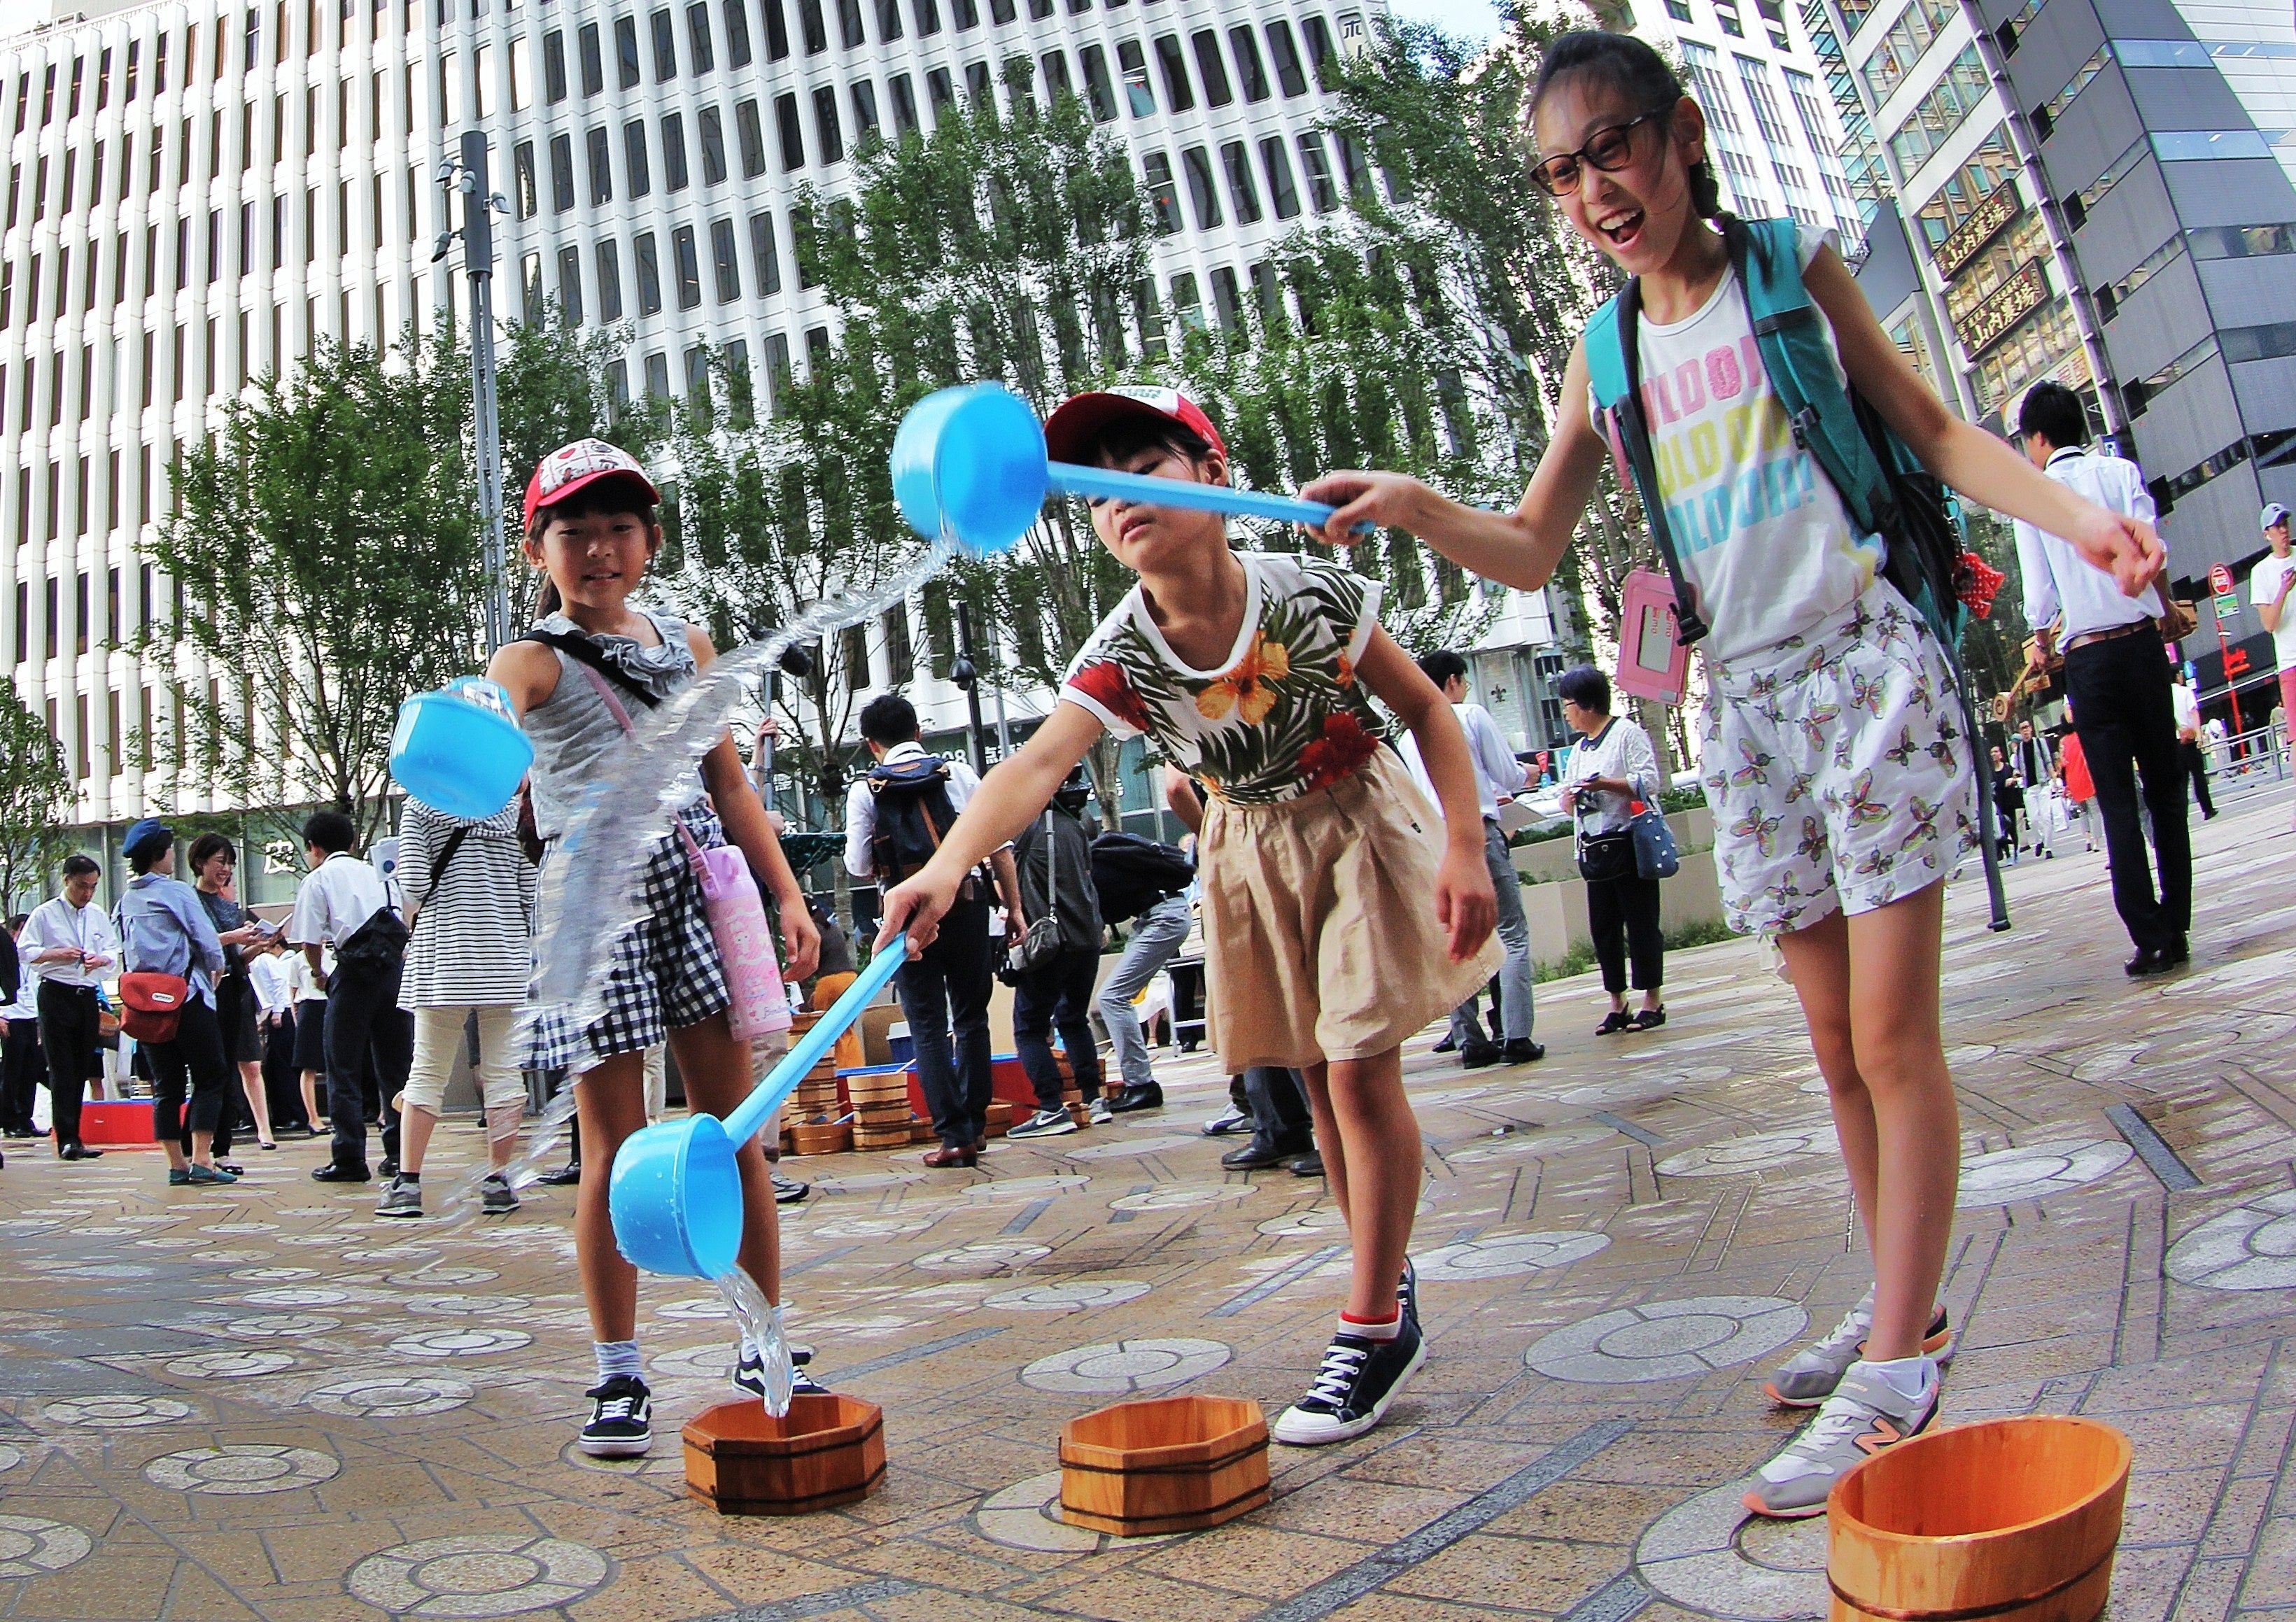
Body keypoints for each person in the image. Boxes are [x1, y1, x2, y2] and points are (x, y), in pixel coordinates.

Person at [1295, 29, 2160, 1514]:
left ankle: (1893, 1369)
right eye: (1561, 173)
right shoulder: (1601, 348)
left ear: (1678, 131)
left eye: (1611, 149)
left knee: (1891, 1039)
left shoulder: (1785, 266)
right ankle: (1910, 1308)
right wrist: (1420, 505)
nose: (1592, 192)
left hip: (1862, 672)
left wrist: (2076, 528)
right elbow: (1531, 543)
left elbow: (1937, 431)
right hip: (1742, 708)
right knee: (1829, 1050)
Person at [877, 384, 1501, 1448]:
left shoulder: (1309, 588)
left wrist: (1462, 840)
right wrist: (942, 867)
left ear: (1214, 475)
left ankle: (1367, 1323)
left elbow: (1428, 709)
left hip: (1357, 824)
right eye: (1094, 486)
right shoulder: (1119, 652)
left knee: (1357, 1064)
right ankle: (1383, 1280)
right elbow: (1034, 765)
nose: (1116, 494)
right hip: (1250, 848)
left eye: (1143, 464)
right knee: (1315, 1073)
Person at [484, 436, 822, 1458]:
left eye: (618, 527)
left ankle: (763, 1336)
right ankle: (617, 1371)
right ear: (535, 547)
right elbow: (483, 745)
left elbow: (728, 781)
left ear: (651, 540)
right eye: (572, 530)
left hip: (699, 890)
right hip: (593, 910)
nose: (598, 549)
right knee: (612, 1146)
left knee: (732, 1133)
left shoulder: (687, 641)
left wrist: (787, 894)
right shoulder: (526, 659)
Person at [2013, 381, 2190, 976]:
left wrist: (2040, 645)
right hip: (2140, 647)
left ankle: (2146, 935)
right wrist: (2163, 610)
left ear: (2037, 438)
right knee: (2165, 788)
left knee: (2115, 798)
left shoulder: (2033, 497)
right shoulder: (2118, 474)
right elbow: (2148, 551)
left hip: (2087, 659)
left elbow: (2039, 596)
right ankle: (2177, 923)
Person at [843, 693, 1024, 1169]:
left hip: (905, 916)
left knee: (926, 1025)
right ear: (918, 733)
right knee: (971, 1017)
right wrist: (1015, 909)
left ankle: (952, 1136)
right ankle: (976, 1124)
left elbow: (859, 864)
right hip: (967, 903)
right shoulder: (957, 773)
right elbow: (998, 846)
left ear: (871, 745)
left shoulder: (866, 789)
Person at [378, 796, 537, 1219]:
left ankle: (408, 1183)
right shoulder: (512, 808)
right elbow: (530, 891)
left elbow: (411, 884)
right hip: (505, 955)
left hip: (444, 953)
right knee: (504, 1070)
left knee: (427, 1069)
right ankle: (499, 1180)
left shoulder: (422, 805)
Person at [1398, 649, 1543, 1067]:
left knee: (1456, 936)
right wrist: (1528, 774)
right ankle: (1516, 1034)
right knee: (1512, 933)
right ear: (1453, 682)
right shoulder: (1471, 716)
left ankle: (1469, 1038)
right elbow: (1508, 774)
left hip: (1435, 842)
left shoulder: (1410, 736)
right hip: (1475, 834)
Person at [290, 812, 414, 1180]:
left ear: (314, 847)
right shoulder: (379, 872)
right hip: (392, 972)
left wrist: (318, 973)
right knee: (396, 1068)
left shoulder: (318, 879)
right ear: (351, 843)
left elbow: (309, 941)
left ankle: (349, 1156)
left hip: (352, 974)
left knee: (342, 1065)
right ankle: (399, 1152)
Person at [114, 820, 236, 1185]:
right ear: (158, 855)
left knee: (165, 1085)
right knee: (212, 1075)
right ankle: (202, 1158)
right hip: (187, 997)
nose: (172, 857)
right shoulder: (176, 892)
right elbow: (209, 943)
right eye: (168, 850)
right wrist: (214, 974)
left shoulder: (125, 901)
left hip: (146, 1006)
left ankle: (176, 1164)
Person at [1556, 665, 1666, 1033]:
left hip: (1627, 841)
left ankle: (1652, 998)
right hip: (1593, 847)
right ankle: (1617, 1001)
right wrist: (1572, 797)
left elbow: (1649, 781)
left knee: (1641, 922)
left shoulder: (1626, 734)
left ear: (1587, 704)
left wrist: (1606, 784)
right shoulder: (1577, 750)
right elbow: (1566, 803)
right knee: (1603, 928)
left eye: (1568, 704)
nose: (1566, 712)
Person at [1007, 768, 1109, 1138]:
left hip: (1050, 942)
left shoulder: (1028, 827)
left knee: (1030, 1028)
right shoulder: (1080, 824)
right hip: (1087, 940)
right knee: (1073, 1018)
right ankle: (1095, 1101)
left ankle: (1051, 1108)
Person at [20, 854, 118, 1159]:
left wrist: (101, 960)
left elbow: (113, 950)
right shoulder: (45, 914)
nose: (86, 894)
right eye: (81, 887)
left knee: (81, 1066)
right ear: (66, 881)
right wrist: (56, 953)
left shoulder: (98, 914)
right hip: (56, 993)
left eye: (92, 887)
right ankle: (66, 1137)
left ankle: (76, 1134)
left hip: (87, 994)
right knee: (61, 1066)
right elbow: (24, 950)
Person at [188, 834, 276, 1156]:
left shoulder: (229, 906)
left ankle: (222, 1149)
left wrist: (257, 945)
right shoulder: (191, 900)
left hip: (235, 987)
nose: (225, 869)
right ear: (200, 863)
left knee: (231, 1070)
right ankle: (201, 1147)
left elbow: (236, 957)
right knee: (212, 1068)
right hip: (206, 989)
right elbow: (197, 944)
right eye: (219, 862)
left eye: (229, 863)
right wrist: (232, 937)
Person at [248, 936, 310, 1134]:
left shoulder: (267, 960)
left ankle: (293, 1114)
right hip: (280, 1011)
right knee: (279, 1066)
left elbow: (279, 985)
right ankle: (288, 1114)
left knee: (283, 1066)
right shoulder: (266, 961)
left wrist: (276, 1011)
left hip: (280, 1012)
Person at [2249, 504, 2296, 736]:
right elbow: (2268, 624)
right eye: (2277, 527)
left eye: (2285, 524)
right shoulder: (2261, 572)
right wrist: (2283, 591)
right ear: (2267, 534)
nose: (2284, 531)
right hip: (2291, 662)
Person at [1, 914, 39, 1138]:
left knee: (30, 1070)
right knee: (11, 1071)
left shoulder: (29, 959)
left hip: (30, 1017)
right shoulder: (5, 955)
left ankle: (26, 1118)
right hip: (10, 1016)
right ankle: (9, 1120)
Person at [286, 944, 330, 1133]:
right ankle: (313, 1118)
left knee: (337, 1061)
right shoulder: (297, 960)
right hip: (308, 1007)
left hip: (329, 1004)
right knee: (308, 1064)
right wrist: (296, 1018)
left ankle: (339, 1113)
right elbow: (293, 991)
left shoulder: (331, 956)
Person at [2172, 672, 2216, 821]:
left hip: (2175, 742)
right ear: (2177, 676)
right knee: (2198, 776)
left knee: (2181, 781)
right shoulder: (2185, 692)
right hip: (2190, 741)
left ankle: (2181, 815)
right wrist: (2199, 735)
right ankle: (2207, 809)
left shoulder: (2164, 694)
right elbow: (2193, 713)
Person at [2010, 720, 2056, 856]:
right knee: (2033, 819)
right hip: (2029, 788)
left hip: (2043, 785)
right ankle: (2040, 840)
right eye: (2022, 729)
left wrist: (2053, 777)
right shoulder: (2019, 749)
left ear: (2031, 729)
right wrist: (2016, 774)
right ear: (2020, 732)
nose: (2025, 731)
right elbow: (2017, 767)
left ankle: (2048, 848)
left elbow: (2048, 761)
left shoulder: (2040, 743)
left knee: (2046, 817)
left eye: (2027, 728)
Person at [2057, 719, 2099, 852]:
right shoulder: (2082, 736)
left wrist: (2066, 785)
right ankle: (2097, 842)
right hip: (2087, 777)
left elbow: (2063, 765)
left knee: (2083, 811)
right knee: (2095, 811)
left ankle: (2088, 838)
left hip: (2073, 780)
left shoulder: (2063, 742)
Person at [1989, 745, 2024, 863]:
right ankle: (2007, 854)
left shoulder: (2008, 768)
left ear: (2001, 754)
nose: (1994, 754)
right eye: (1992, 752)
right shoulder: (1990, 772)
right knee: (2001, 829)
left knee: (2012, 827)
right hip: (1998, 802)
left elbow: (2017, 775)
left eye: (1996, 752)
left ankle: (2015, 851)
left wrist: (2013, 779)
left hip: (2009, 800)